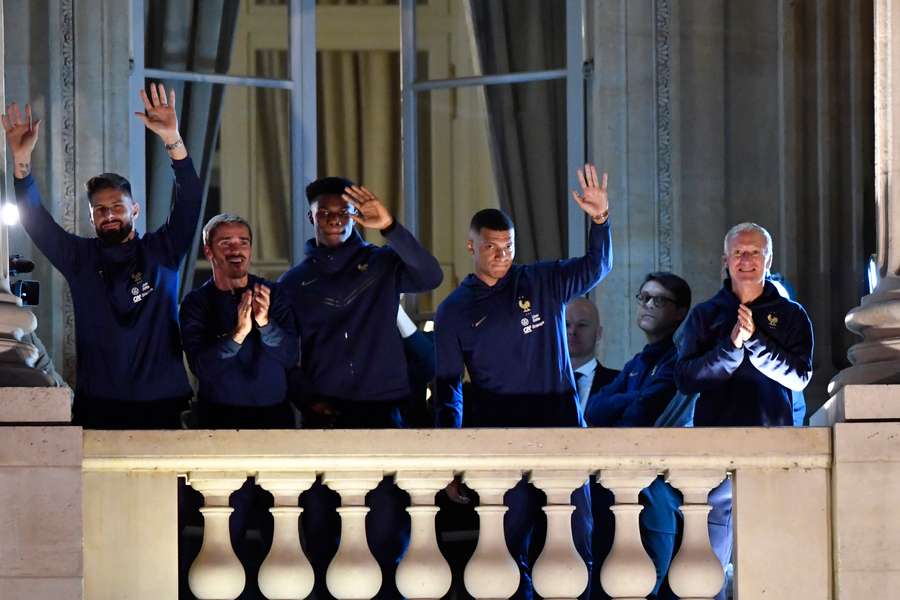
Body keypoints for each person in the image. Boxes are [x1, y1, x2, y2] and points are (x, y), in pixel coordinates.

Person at [434, 164, 613, 599]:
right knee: (507, 545)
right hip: (499, 432)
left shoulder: (541, 279)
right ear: (471, 246)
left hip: (561, 423)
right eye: (491, 247)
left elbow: (597, 265)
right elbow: (447, 389)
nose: (501, 254)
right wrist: (448, 457)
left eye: (508, 246)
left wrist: (600, 220)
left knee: (576, 537)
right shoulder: (454, 310)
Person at [279, 176, 443, 600]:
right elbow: (285, 358)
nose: (334, 219)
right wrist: (306, 398)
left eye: (342, 212)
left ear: (354, 215)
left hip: (383, 412)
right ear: (310, 217)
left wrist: (389, 226)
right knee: (320, 532)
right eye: (325, 213)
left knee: (386, 530)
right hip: (325, 418)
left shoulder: (383, 264)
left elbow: (430, 275)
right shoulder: (293, 284)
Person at [4, 85, 201, 428]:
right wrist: (21, 163)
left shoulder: (162, 251)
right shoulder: (79, 258)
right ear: (91, 216)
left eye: (116, 207)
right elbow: (35, 220)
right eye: (99, 209)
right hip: (100, 405)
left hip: (164, 403)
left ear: (135, 210)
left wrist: (173, 140)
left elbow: (189, 203)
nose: (108, 214)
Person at [674, 222, 813, 600]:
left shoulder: (791, 314)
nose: (746, 260)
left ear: (769, 259)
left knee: (770, 561)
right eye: (738, 253)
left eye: (754, 252)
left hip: (772, 453)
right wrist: (732, 347)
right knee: (708, 566)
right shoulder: (705, 315)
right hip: (714, 454)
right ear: (725, 261)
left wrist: (756, 345)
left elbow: (800, 376)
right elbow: (686, 379)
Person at [585, 272, 691, 600]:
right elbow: (592, 410)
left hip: (656, 492)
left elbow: (641, 417)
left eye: (658, 300)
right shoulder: (635, 363)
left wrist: (625, 404)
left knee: (646, 584)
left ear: (680, 312)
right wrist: (631, 398)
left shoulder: (679, 361)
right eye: (643, 297)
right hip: (617, 488)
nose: (647, 305)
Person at [179, 213, 298, 429]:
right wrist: (238, 334)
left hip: (275, 418)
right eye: (226, 243)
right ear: (209, 251)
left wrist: (264, 323)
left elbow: (290, 357)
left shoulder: (273, 294)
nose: (236, 250)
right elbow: (202, 368)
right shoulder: (196, 303)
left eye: (243, 242)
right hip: (218, 419)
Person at [566, 296, 619, 417]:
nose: (572, 331)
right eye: (566, 325)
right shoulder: (538, 383)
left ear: (598, 333)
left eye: (582, 325)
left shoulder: (619, 382)